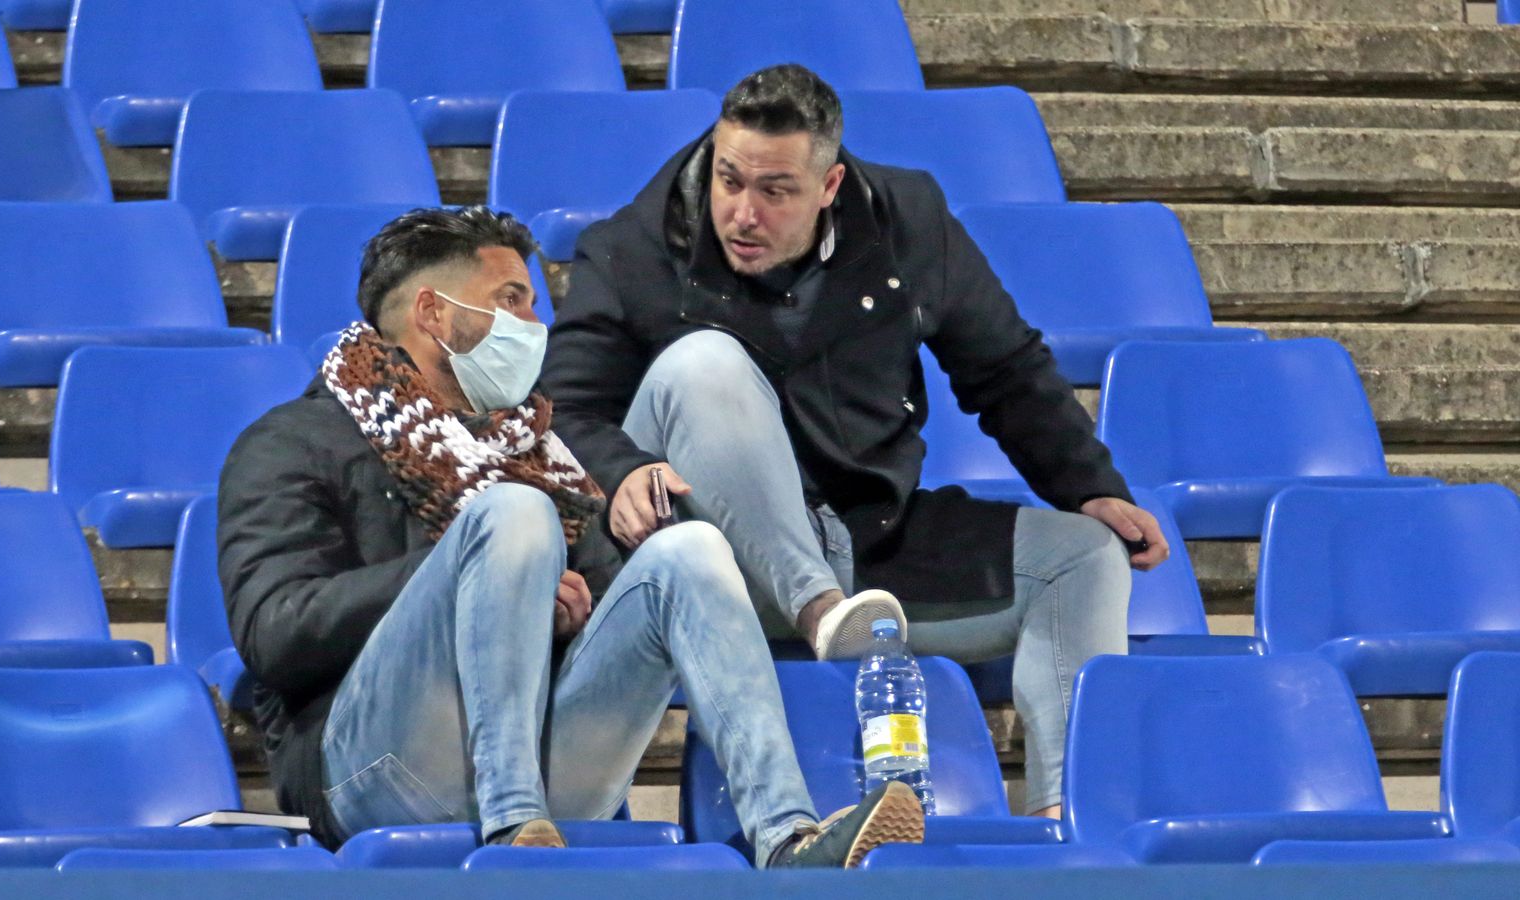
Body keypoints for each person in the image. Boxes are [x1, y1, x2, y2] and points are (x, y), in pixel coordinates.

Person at [541, 64, 1171, 819]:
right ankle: (818, 611)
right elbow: (561, 412)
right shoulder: (634, 246)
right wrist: (623, 470)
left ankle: (1073, 829)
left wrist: (1090, 485)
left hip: (869, 543)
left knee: (1085, 557)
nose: (743, 213)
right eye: (729, 179)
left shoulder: (911, 220)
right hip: (709, 563)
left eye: (774, 192)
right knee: (703, 364)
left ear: (830, 186)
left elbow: (1005, 367)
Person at [218, 206, 924, 867]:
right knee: (511, 512)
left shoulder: (537, 448)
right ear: (433, 314)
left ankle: (787, 836)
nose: (533, 325)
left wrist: (552, 610)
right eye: (512, 300)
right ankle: (512, 828)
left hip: (546, 755)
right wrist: (464, 569)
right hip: (372, 770)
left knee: (685, 551)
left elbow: (622, 608)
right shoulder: (291, 441)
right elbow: (275, 633)